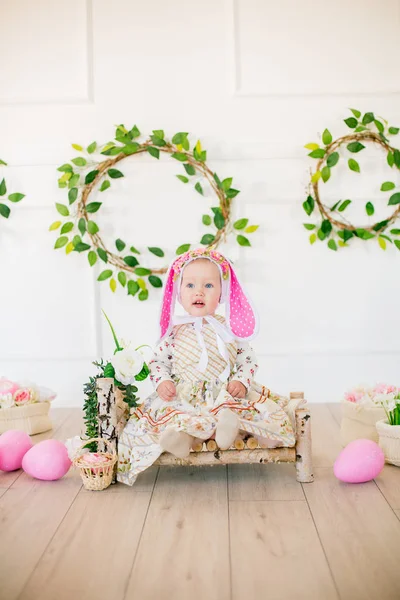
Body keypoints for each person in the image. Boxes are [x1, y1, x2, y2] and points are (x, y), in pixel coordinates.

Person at [117, 248, 296, 486]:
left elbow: (247, 359)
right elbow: (158, 362)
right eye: (190, 285)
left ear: (222, 293)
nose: (199, 291)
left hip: (223, 392)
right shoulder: (174, 331)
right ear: (179, 293)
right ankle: (181, 439)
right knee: (178, 416)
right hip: (185, 396)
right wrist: (163, 382)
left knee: (242, 411)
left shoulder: (229, 328)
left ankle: (227, 430)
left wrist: (240, 381)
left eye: (208, 286)